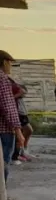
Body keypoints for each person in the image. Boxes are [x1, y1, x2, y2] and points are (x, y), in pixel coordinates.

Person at [0, 50, 23, 184]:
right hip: (4, 129)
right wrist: (18, 131)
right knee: (3, 163)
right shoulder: (2, 79)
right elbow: (7, 106)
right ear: (4, 62)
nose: (11, 67)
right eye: (10, 63)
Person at [9, 76, 33, 164]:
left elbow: (24, 90)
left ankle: (22, 151)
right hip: (17, 112)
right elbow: (22, 91)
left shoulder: (13, 81)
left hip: (22, 112)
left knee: (27, 131)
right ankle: (16, 155)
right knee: (19, 133)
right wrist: (18, 94)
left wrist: (20, 91)